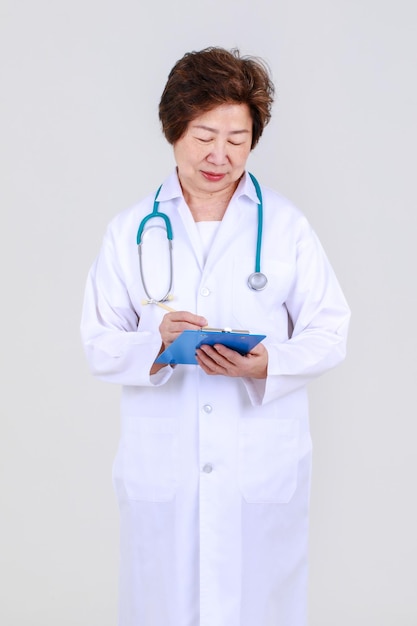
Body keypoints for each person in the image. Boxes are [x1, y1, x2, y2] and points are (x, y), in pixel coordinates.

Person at [81, 46, 350, 626]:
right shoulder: (131, 230)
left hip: (259, 464)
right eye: (205, 135)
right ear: (174, 129)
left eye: (238, 138)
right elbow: (99, 341)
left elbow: (330, 331)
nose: (220, 155)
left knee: (260, 608)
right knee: (162, 607)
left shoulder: (285, 226)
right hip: (165, 466)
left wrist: (267, 364)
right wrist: (153, 343)